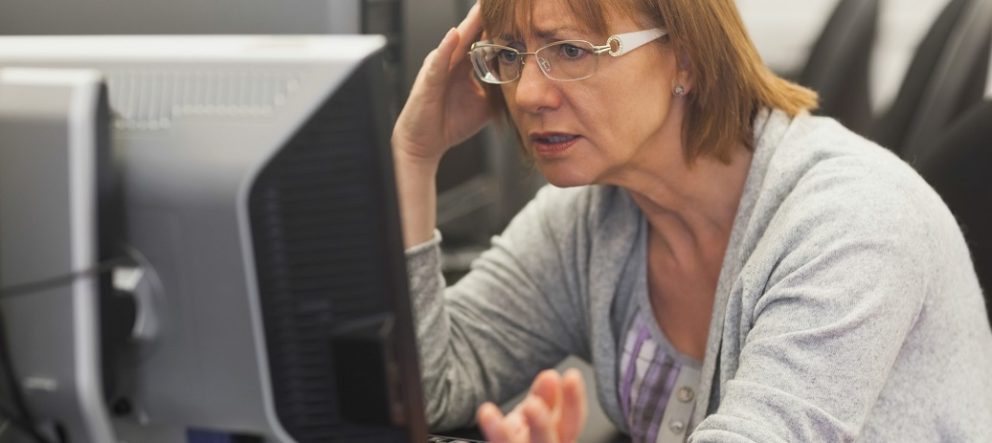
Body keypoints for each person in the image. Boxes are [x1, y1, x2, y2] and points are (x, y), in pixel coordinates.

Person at [391, 0, 992, 441]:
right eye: (511, 56)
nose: (524, 95)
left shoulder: (852, 224)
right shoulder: (591, 219)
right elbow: (427, 390)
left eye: (569, 50)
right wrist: (414, 160)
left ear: (687, 60)